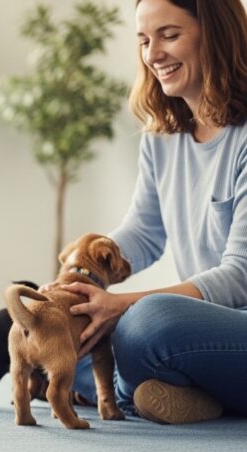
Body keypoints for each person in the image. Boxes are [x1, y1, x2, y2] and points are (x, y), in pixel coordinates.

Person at [64, 0, 247, 424]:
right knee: (66, 332)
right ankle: (181, 394)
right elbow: (144, 234)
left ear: (217, 36)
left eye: (169, 35)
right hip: (201, 331)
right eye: (144, 40)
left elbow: (239, 276)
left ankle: (126, 390)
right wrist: (80, 277)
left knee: (148, 322)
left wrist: (121, 305)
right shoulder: (162, 136)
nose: (152, 55)